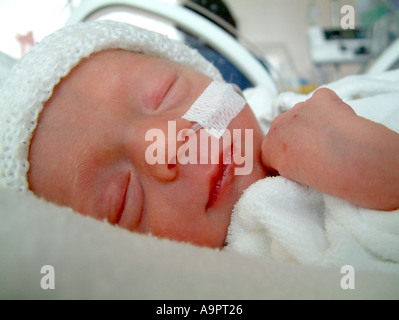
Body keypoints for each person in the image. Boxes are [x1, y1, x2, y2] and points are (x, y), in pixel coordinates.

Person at [1, 21, 398, 269]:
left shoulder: (320, 105)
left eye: (164, 93)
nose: (172, 143)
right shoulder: (248, 273)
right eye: (123, 202)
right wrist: (376, 171)